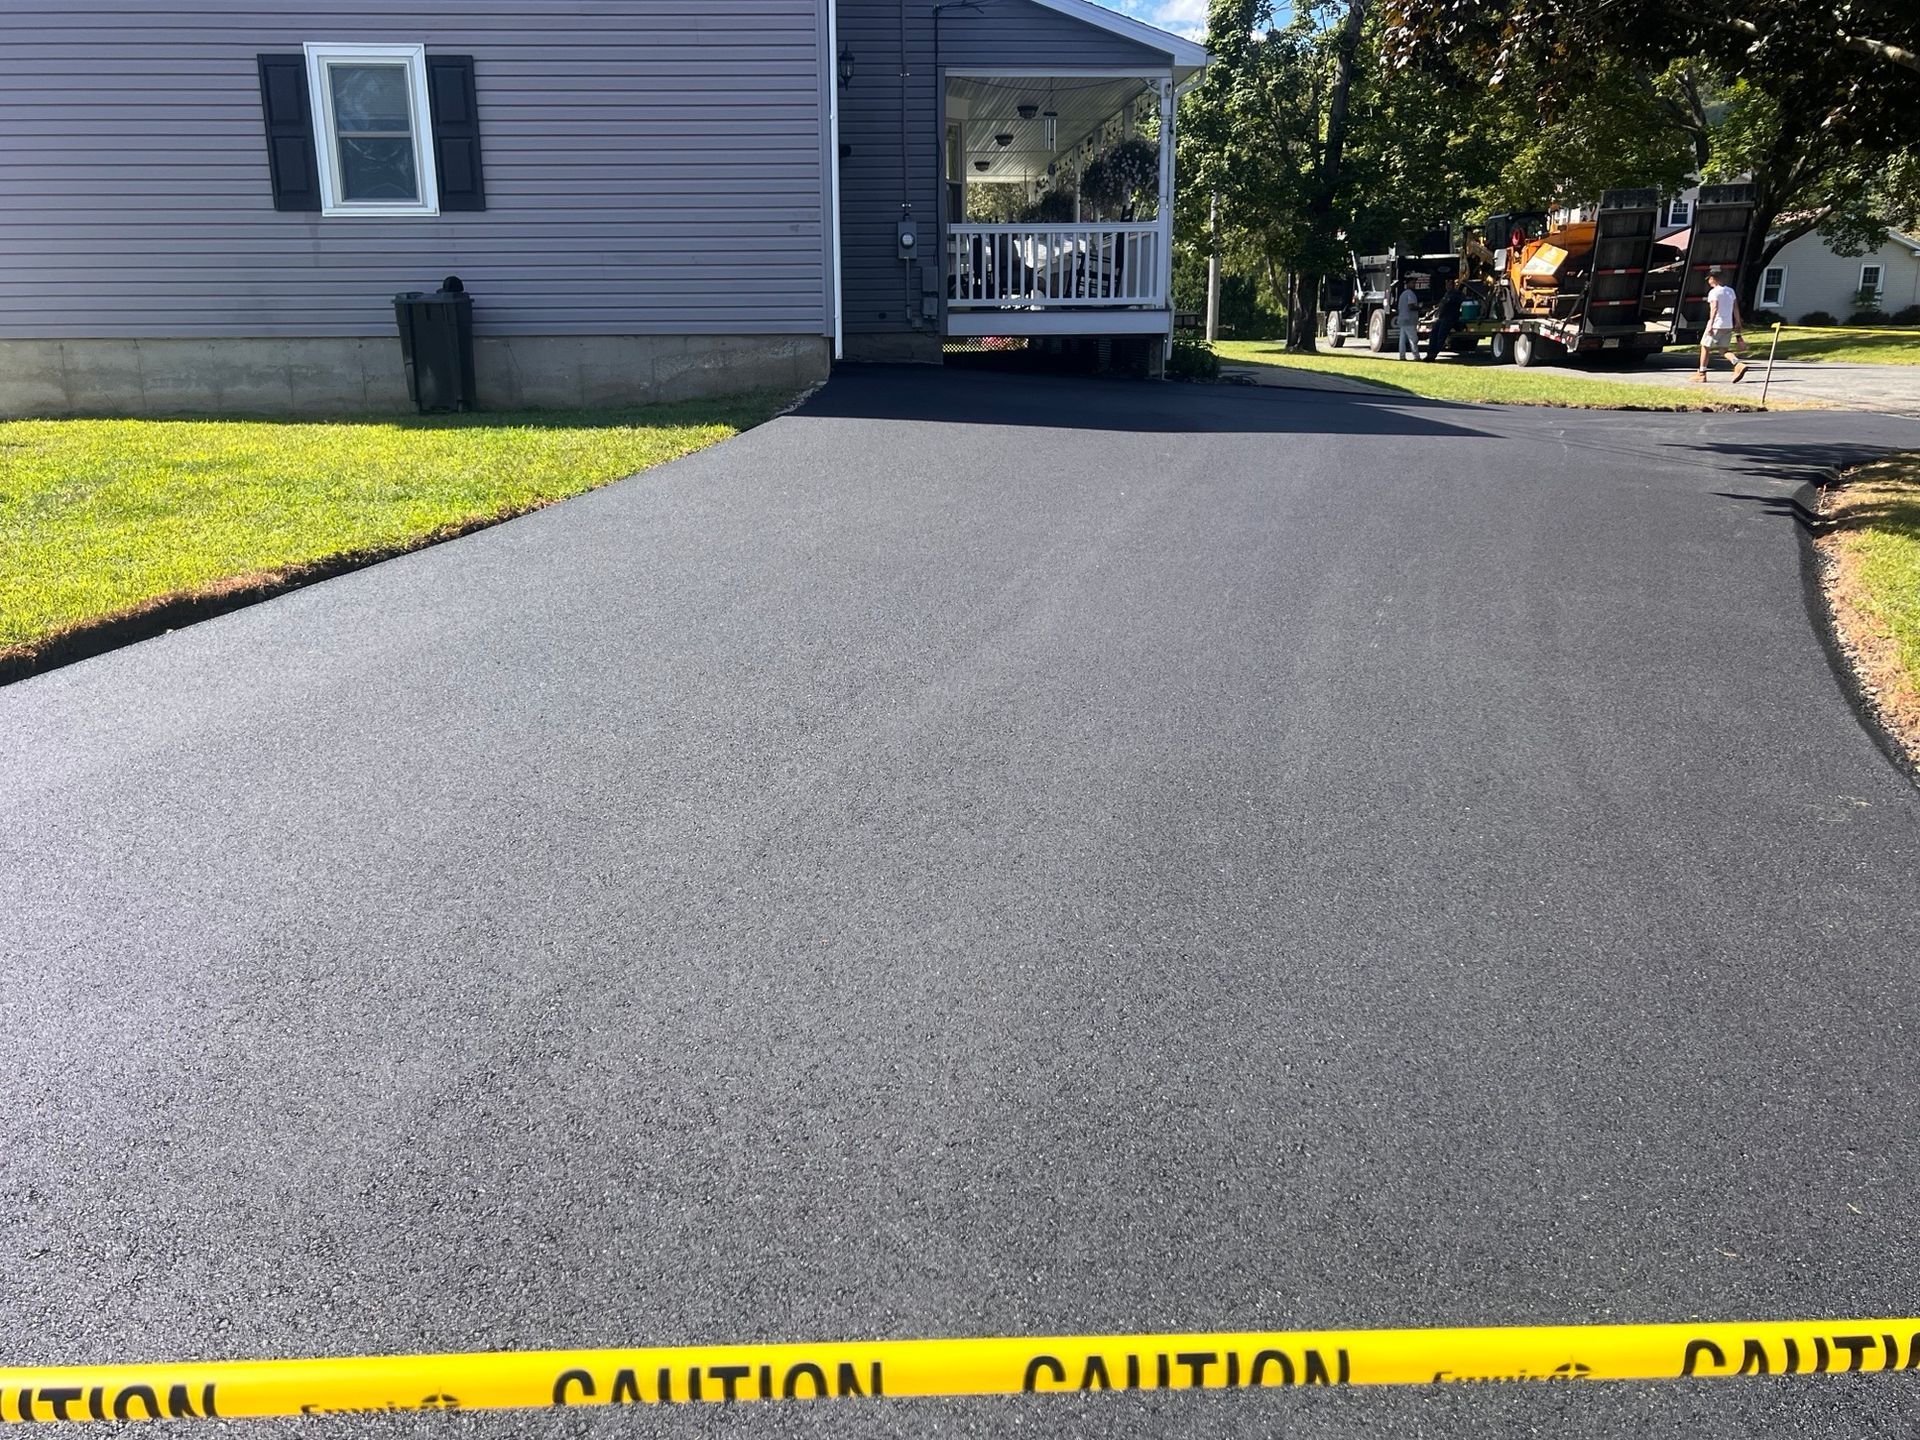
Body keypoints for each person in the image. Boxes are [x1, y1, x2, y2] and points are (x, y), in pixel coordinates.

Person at [1694, 270, 1749, 382]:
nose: (1709, 281)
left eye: (1709, 279)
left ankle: (1702, 373)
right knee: (1724, 350)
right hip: (1728, 325)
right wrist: (1738, 322)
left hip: (1716, 325)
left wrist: (1710, 324)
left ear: (1714, 278)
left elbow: (1714, 309)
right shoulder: (1730, 291)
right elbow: (1735, 308)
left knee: (1705, 347)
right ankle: (1738, 364)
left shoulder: (1714, 292)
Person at [1425, 277, 1465, 361]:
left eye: (1449, 284)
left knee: (1441, 335)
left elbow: (1457, 302)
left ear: (1453, 285)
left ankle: (1434, 354)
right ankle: (1430, 353)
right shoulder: (1446, 294)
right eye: (1446, 284)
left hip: (1450, 318)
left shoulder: (1456, 294)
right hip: (1442, 317)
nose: (1447, 286)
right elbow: (1440, 305)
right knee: (1433, 333)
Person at [1395, 284, 1420, 361]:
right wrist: (1419, 308)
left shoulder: (1403, 294)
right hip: (1409, 319)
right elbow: (1411, 306)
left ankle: (1402, 356)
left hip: (1402, 319)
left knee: (1402, 340)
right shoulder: (1410, 293)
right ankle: (1416, 356)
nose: (1414, 284)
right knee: (1413, 339)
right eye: (1413, 282)